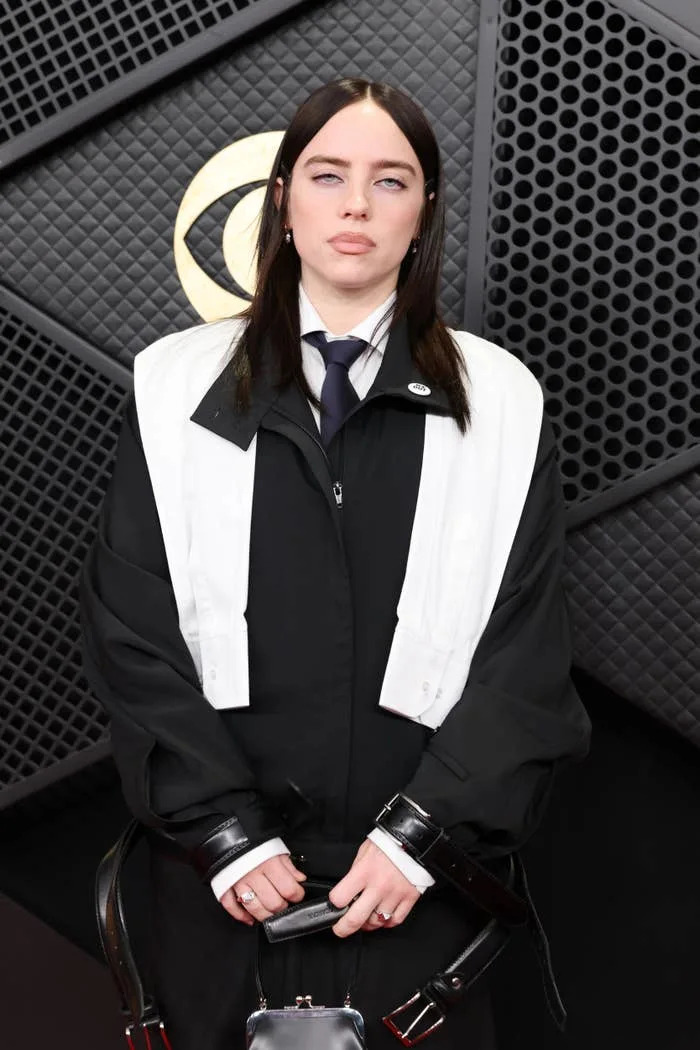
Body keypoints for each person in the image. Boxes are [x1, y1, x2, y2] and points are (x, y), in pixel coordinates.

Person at [80, 78, 591, 1050]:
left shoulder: (501, 404)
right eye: (328, 174)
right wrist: (221, 831)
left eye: (389, 180)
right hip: (218, 894)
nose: (356, 205)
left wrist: (419, 839)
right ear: (282, 198)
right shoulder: (173, 386)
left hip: (413, 899)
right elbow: (129, 631)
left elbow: (526, 658)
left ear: (425, 208)